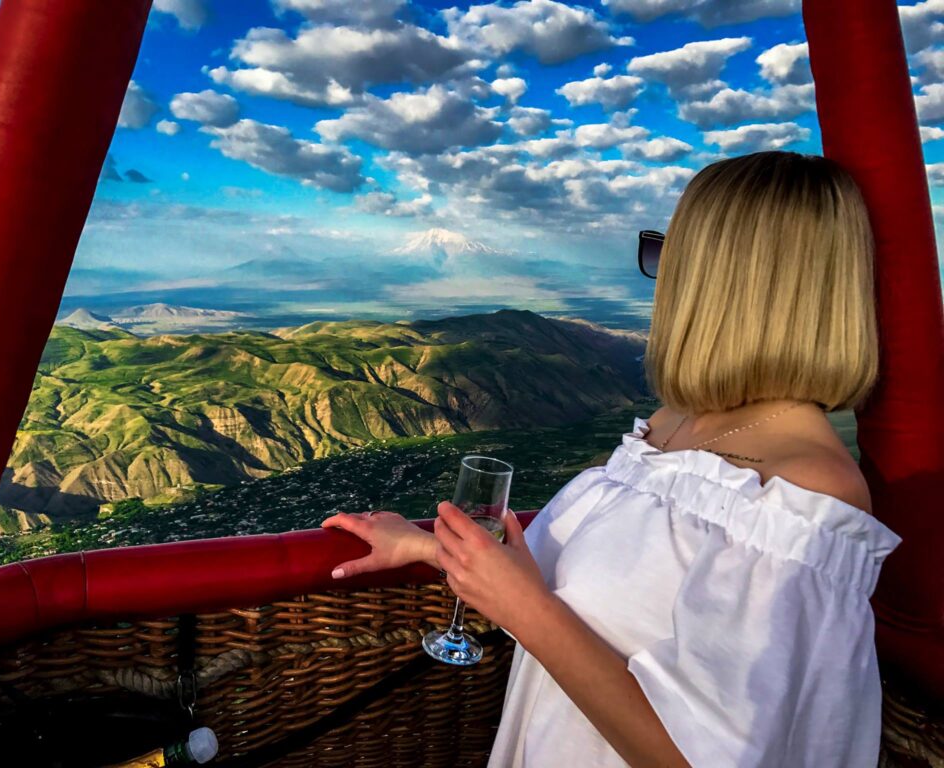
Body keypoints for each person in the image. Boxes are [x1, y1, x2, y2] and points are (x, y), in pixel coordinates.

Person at [321, 151, 902, 767]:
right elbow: (590, 587)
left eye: (669, 254)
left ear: (728, 280)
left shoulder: (805, 499)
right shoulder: (674, 423)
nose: (661, 277)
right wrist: (426, 547)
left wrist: (525, 610)